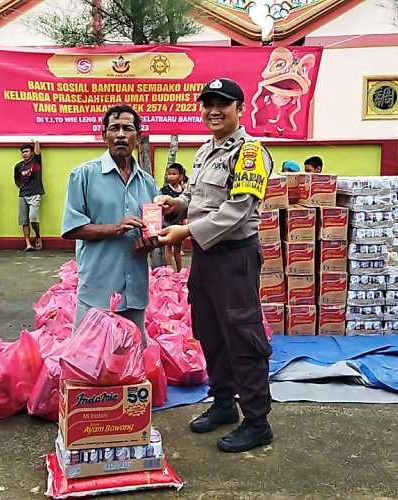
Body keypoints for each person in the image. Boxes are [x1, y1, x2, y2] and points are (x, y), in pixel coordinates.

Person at [156, 78, 274, 453]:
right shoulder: (205, 150)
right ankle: (223, 404)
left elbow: (237, 212)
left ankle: (257, 422)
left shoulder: (251, 153)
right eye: (207, 103)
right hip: (205, 257)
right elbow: (196, 196)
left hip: (235, 257)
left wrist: (186, 229)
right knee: (209, 332)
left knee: (243, 336)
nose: (213, 110)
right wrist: (176, 205)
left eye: (222, 103)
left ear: (240, 108)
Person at [62, 104, 157, 336]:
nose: (121, 135)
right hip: (97, 291)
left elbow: (152, 230)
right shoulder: (82, 175)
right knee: (87, 364)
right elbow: (71, 229)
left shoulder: (147, 183)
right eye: (114, 128)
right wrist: (115, 228)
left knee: (133, 364)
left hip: (134, 291)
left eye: (128, 128)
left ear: (138, 136)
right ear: (104, 135)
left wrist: (152, 241)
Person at [14, 140, 45, 251]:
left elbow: (38, 151)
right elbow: (17, 180)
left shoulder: (36, 162)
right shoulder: (18, 166)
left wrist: (36, 142)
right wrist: (22, 187)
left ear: (31, 152)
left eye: (27, 151)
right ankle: (27, 243)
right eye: (23, 152)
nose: (24, 154)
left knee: (33, 218)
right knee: (24, 221)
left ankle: (37, 236)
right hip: (23, 195)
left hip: (35, 194)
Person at [160, 163, 187, 271]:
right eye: (169, 174)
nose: (170, 176)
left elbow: (185, 206)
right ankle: (168, 270)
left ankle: (180, 270)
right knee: (168, 247)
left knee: (178, 248)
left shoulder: (183, 191)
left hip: (179, 223)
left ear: (181, 176)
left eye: (174, 174)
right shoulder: (164, 190)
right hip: (168, 222)